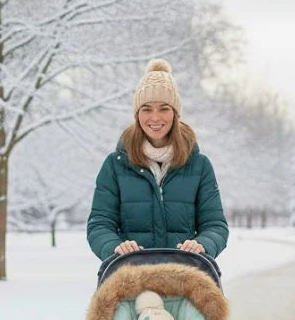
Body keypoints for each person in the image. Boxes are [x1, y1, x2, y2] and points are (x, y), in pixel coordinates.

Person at [87, 58, 229, 260]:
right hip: (131, 276)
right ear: (137, 114)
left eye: (164, 108)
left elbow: (215, 225)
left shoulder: (199, 165)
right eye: (146, 109)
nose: (155, 117)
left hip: (185, 276)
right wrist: (115, 247)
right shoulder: (115, 165)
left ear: (175, 113)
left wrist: (202, 244)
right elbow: (99, 223)